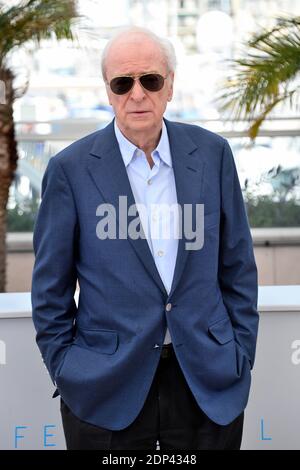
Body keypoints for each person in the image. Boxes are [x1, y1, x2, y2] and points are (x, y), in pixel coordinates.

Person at [31, 26, 259, 450]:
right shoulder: (70, 169)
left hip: (206, 384)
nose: (137, 94)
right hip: (105, 388)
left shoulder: (213, 155)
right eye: (123, 83)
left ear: (170, 84)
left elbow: (238, 267)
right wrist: (67, 369)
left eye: (150, 80)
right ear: (109, 91)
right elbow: (50, 290)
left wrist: (240, 355)